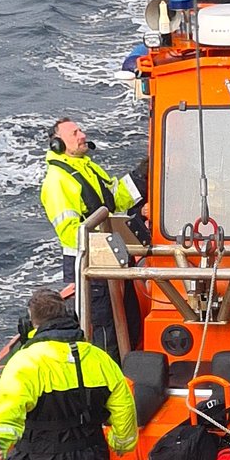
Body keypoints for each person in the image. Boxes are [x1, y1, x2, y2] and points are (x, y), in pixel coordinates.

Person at [0, 288, 137, 460]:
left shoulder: (24, 362)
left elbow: (6, 413)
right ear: (70, 318)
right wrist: (121, 443)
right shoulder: (101, 359)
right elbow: (124, 409)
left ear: (30, 324)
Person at [41, 118, 145, 352]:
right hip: (92, 267)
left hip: (113, 258)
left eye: (81, 130)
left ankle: (130, 366)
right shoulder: (57, 181)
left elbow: (116, 199)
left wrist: (141, 176)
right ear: (58, 144)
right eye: (74, 133)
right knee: (105, 332)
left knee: (129, 323)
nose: (82, 135)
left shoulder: (88, 168)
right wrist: (111, 240)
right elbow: (71, 233)